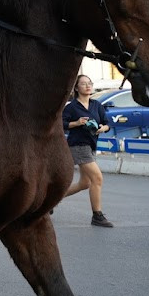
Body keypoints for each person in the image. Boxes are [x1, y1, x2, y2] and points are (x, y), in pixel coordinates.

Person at [61, 75, 114, 227]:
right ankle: (97, 216)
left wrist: (102, 128)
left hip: (91, 145)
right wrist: (76, 123)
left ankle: (49, 203)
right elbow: (61, 124)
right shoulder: (71, 107)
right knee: (97, 178)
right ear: (76, 88)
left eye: (89, 83)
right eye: (83, 84)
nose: (88, 86)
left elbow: (107, 123)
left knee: (85, 183)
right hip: (78, 145)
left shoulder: (97, 105)